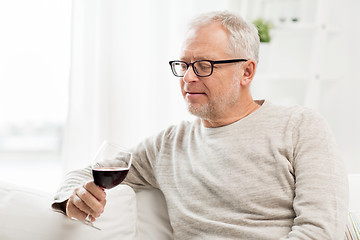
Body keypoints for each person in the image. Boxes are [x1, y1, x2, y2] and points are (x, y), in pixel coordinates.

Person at [52, 11, 348, 239]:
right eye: (183, 65)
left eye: (204, 65)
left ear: (246, 72)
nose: (188, 77)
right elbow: (84, 173)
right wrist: (72, 197)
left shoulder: (300, 127)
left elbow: (320, 232)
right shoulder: (168, 145)